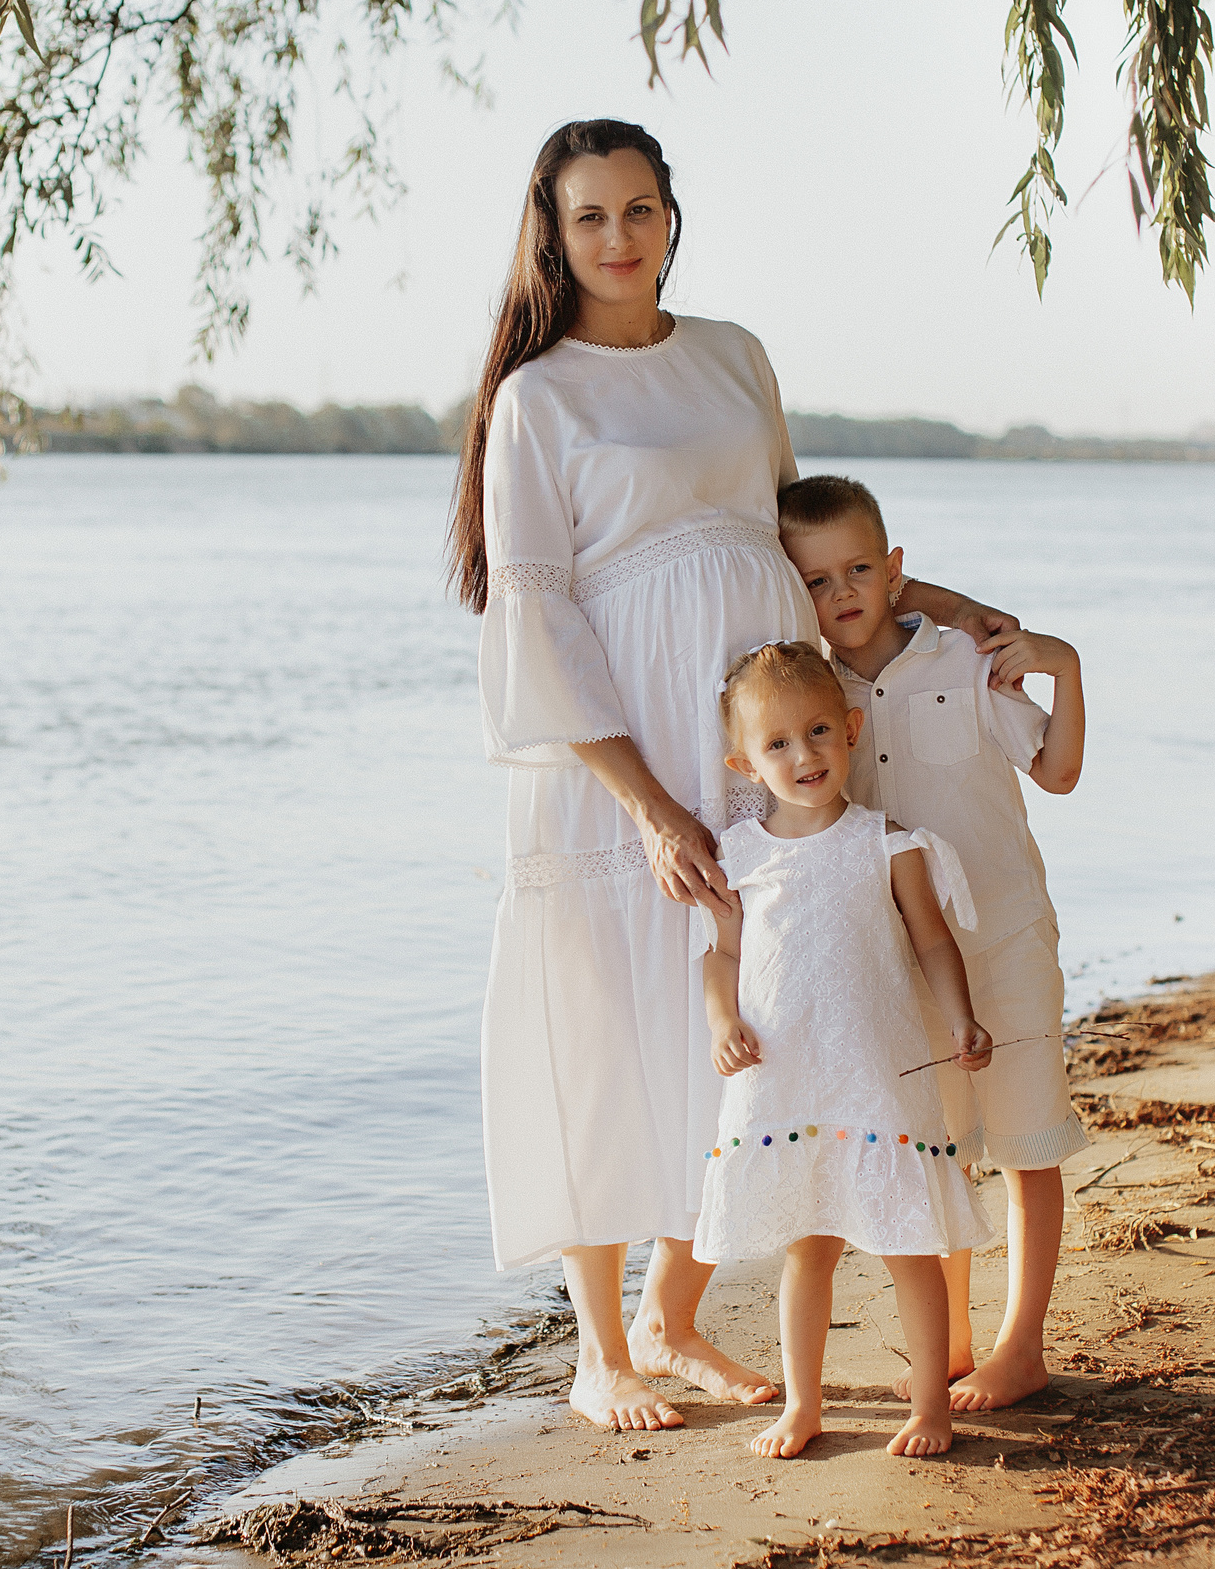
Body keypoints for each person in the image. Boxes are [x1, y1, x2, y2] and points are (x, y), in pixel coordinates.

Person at [449, 120, 1016, 1432]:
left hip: (763, 732)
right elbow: (533, 615)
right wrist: (646, 800)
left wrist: (934, 616)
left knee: (751, 1008)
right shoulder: (539, 397)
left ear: (669, 215)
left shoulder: (733, 355)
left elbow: (804, 539)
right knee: (608, 1019)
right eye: (590, 217)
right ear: (555, 234)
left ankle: (674, 1307)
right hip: (622, 741)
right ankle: (605, 1348)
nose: (619, 238)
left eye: (640, 208)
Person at [775, 473, 1090, 1414]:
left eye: (861, 569)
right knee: (936, 1151)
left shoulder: (962, 660)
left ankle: (1021, 1342)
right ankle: (947, 1340)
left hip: (1005, 938)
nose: (844, 593)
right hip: (900, 966)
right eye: (819, 579)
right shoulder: (814, 696)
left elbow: (1060, 771)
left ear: (897, 570)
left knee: (1027, 1140)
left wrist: (1063, 662)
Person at [692, 641, 994, 1458]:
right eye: (779, 743)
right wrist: (722, 1022)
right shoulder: (742, 854)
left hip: (876, 1078)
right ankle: (804, 1402)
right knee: (808, 1248)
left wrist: (962, 1017)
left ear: (852, 729)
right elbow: (719, 955)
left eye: (820, 730)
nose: (805, 754)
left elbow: (932, 942)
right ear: (744, 763)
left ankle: (931, 1403)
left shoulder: (884, 840)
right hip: (786, 1077)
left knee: (908, 1245)